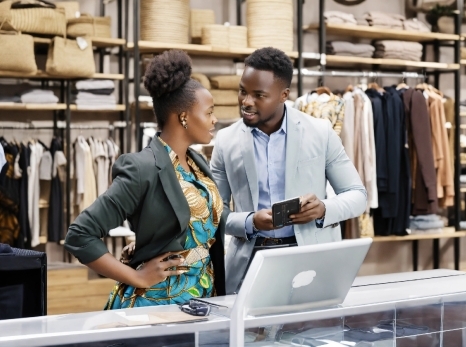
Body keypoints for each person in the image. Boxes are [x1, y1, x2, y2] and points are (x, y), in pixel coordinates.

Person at [64, 50, 227, 309]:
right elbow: (80, 235)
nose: (215, 119)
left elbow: (203, 224)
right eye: (209, 112)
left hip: (201, 299)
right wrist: (136, 276)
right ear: (183, 116)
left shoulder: (198, 163)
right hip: (156, 304)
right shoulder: (142, 167)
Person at [210, 47, 367, 294]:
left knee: (308, 331)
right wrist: (249, 221)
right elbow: (213, 213)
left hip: (310, 259)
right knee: (248, 333)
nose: (246, 102)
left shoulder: (320, 132)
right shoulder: (225, 140)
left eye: (259, 95)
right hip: (250, 262)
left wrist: (323, 209)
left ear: (284, 95)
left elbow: (358, 196)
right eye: (243, 91)